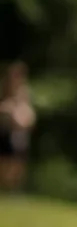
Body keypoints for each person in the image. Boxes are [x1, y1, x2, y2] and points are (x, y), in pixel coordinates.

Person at [0, 62, 34, 194]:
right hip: (4, 130)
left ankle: (13, 191)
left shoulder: (24, 92)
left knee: (18, 163)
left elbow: (28, 113)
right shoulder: (4, 90)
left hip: (19, 132)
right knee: (4, 162)